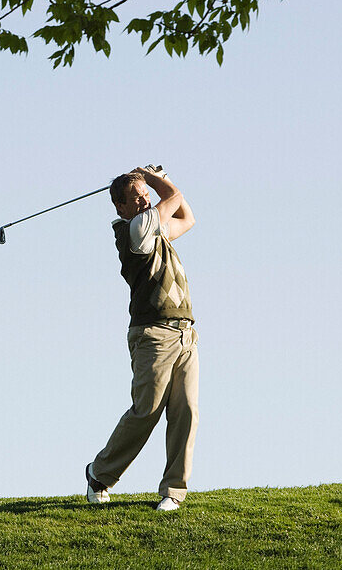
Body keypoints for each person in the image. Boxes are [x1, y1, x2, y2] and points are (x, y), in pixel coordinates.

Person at [84, 165, 198, 512]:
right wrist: (151, 176)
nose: (143, 198)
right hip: (153, 334)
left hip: (185, 333)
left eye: (143, 194)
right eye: (135, 195)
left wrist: (150, 179)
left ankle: (173, 492)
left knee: (186, 411)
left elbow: (187, 217)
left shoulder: (154, 229)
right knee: (147, 410)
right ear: (121, 207)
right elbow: (173, 197)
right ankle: (99, 474)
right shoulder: (135, 229)